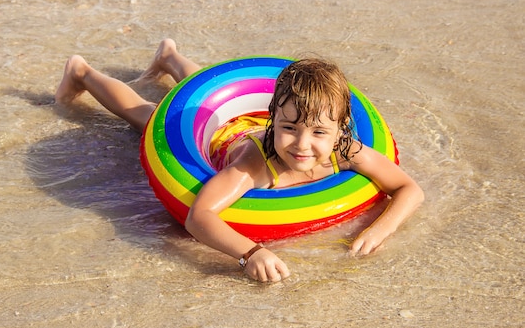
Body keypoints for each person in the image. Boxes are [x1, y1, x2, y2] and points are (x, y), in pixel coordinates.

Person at [55, 39, 424, 283]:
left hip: (252, 124)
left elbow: (409, 189)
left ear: (341, 128)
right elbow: (198, 217)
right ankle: (83, 72)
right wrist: (249, 253)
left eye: (318, 133)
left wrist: (378, 230)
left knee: (203, 97)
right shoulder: (255, 164)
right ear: (273, 116)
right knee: (149, 113)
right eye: (290, 128)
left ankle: (169, 57)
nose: (302, 145)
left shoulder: (346, 149)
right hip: (227, 138)